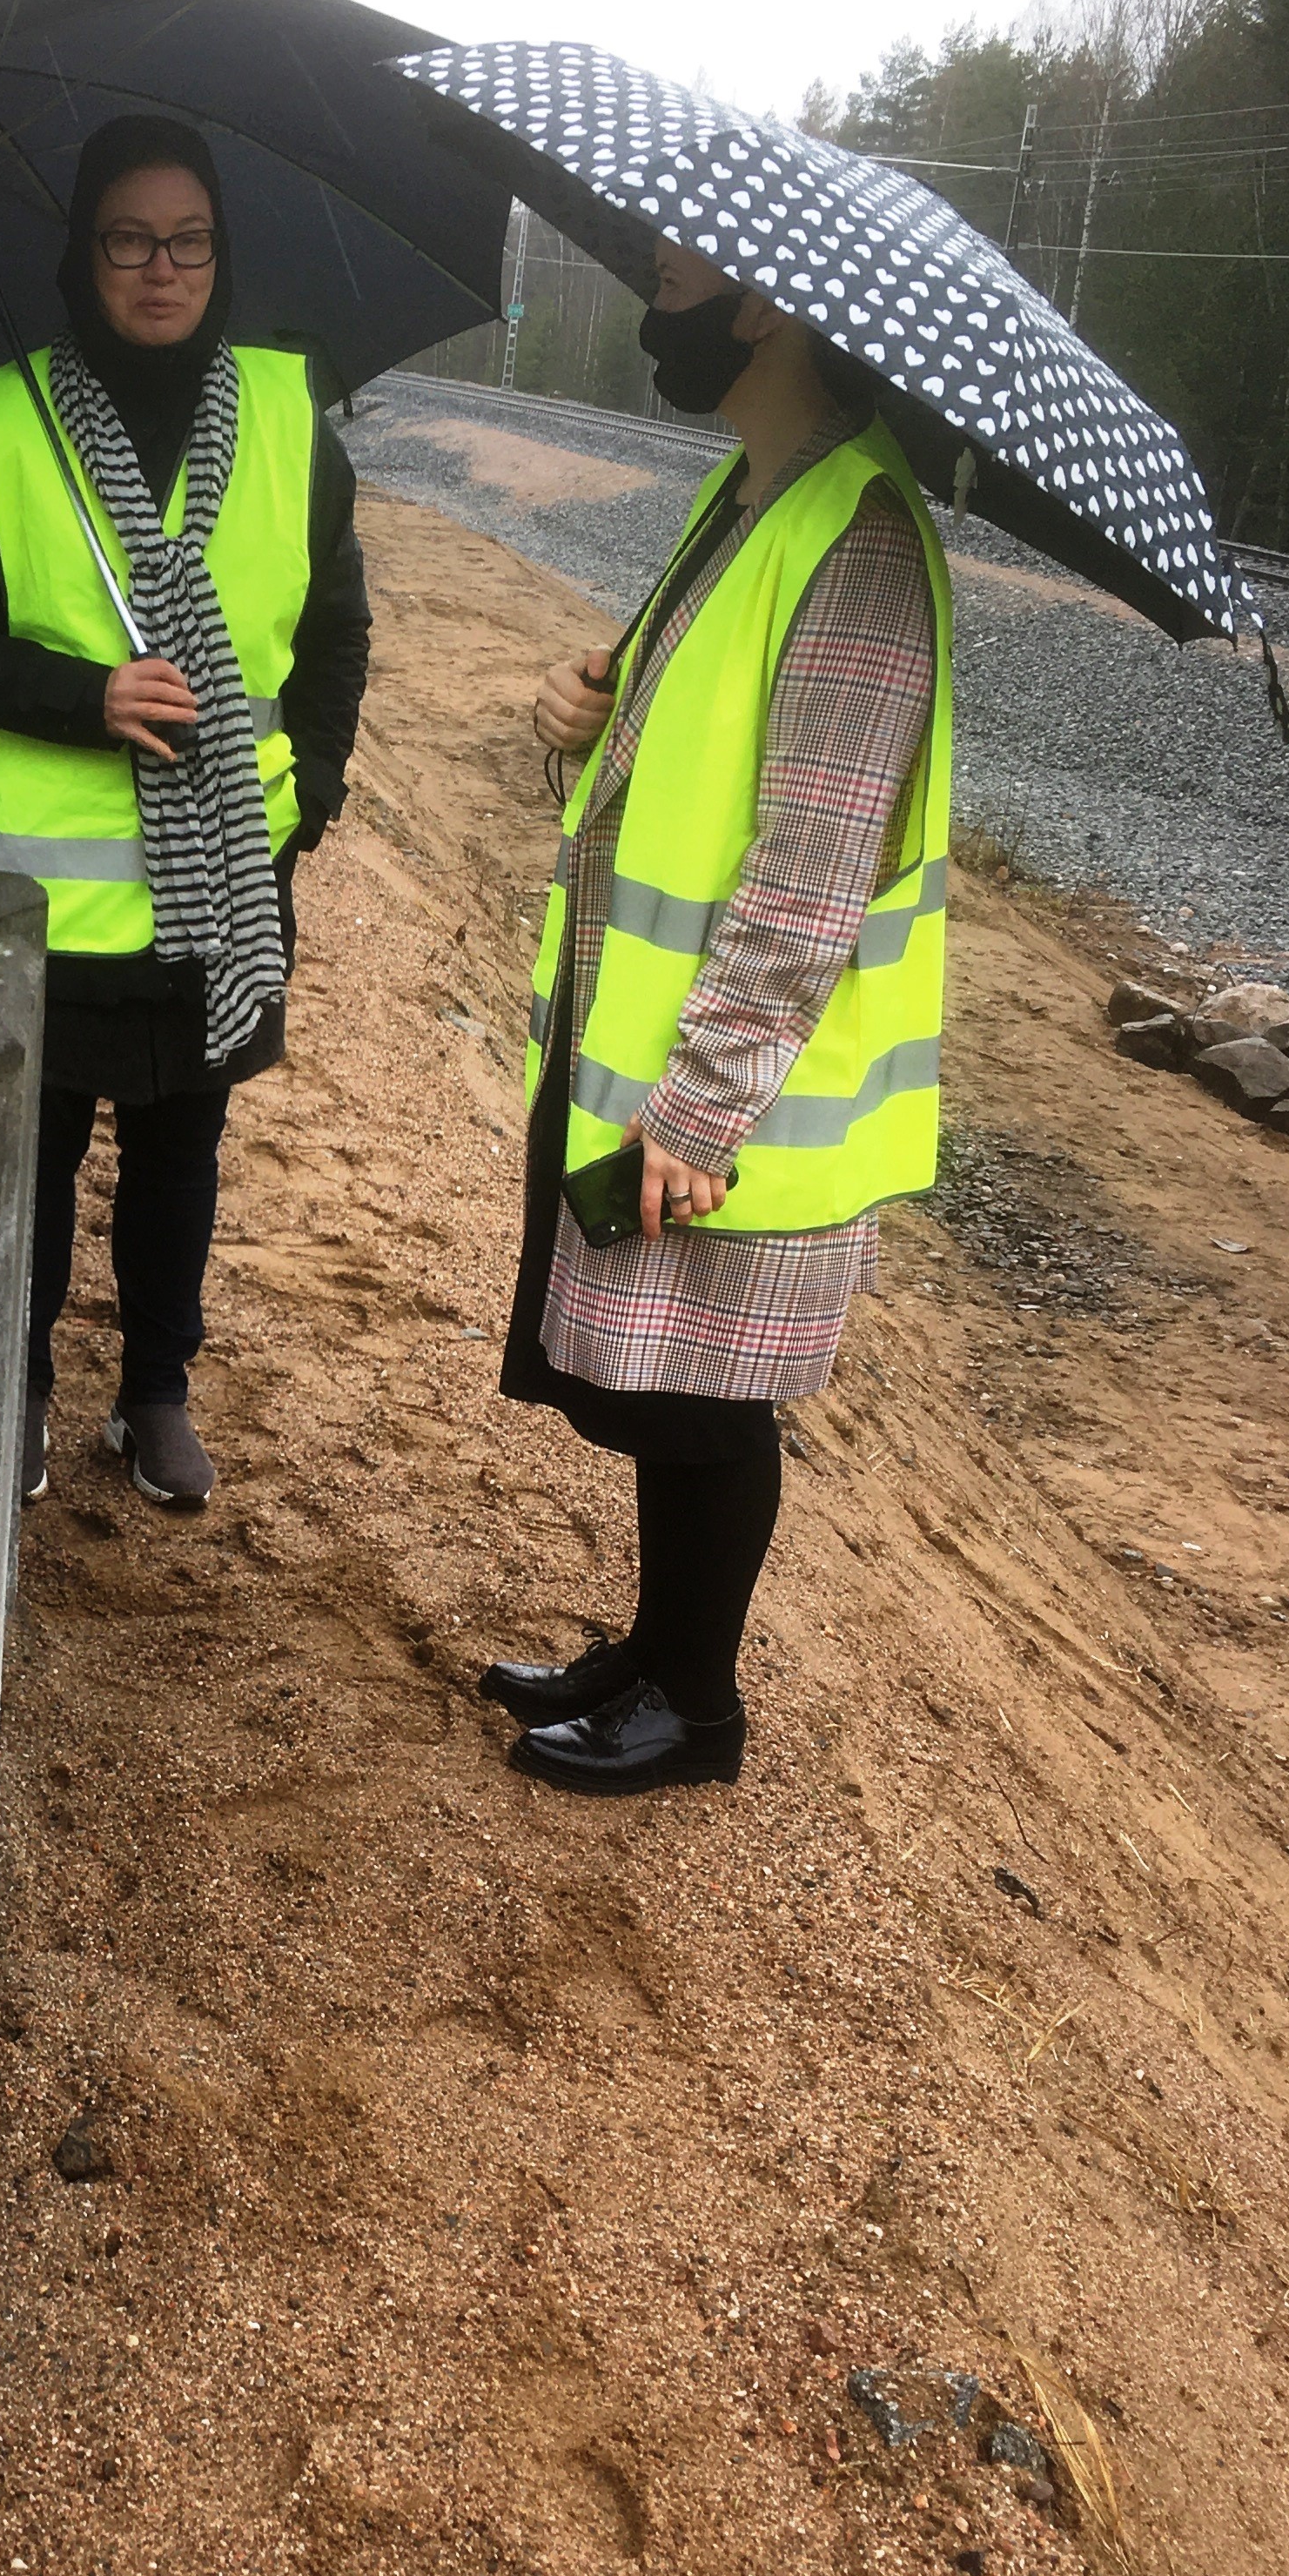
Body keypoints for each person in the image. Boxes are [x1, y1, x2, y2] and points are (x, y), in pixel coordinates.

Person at [484, 232, 951, 1791]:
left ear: (764, 307)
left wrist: (700, 1108)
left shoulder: (856, 536)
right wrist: (583, 717)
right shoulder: (747, 497)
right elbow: (694, 761)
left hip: (740, 1094)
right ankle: (654, 1649)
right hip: (668, 1055)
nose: (653, 304)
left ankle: (697, 1706)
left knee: (711, 1403)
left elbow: (813, 871)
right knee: (667, 1382)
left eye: (676, 283)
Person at [0, 116, 370, 1511]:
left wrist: (311, 792)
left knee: (182, 1155)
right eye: (129, 240)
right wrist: (88, 695)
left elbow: (336, 634)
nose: (161, 269)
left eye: (189, 241)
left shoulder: (290, 421)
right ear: (84, 253)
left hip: (224, 879)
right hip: (51, 899)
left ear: (221, 256)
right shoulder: (7, 419)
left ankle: (155, 1392)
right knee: (39, 1159)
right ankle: (26, 1385)